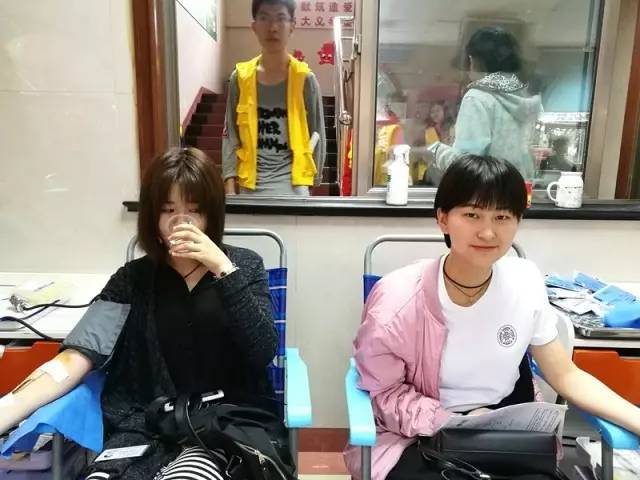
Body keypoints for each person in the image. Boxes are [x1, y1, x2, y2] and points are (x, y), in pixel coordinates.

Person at [344, 155, 640, 480]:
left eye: (502, 217)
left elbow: (566, 375)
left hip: (504, 438)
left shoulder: (525, 281)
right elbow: (384, 395)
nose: (487, 232)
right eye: (472, 215)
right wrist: (452, 421)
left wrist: (636, 419)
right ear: (443, 218)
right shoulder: (397, 299)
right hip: (417, 437)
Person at [0, 147, 281, 479]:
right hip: (147, 427)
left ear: (213, 214)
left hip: (224, 426)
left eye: (195, 210)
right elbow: (77, 356)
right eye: (168, 210)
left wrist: (222, 268)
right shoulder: (132, 280)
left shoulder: (243, 266)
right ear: (152, 216)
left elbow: (263, 350)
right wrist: (9, 408)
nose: (182, 222)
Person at [222, 0, 326, 196]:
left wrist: (311, 182)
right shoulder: (240, 78)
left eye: (281, 18)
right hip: (249, 186)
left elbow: (318, 131)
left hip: (294, 187)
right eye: (264, 18)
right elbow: (230, 134)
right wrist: (229, 186)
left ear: (292, 26)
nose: (273, 27)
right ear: (254, 26)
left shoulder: (305, 79)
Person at [428, 27, 542, 185]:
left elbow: (466, 165)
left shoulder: (478, 98)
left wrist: (434, 151)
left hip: (489, 194)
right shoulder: (525, 98)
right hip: (520, 192)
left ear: (473, 60)